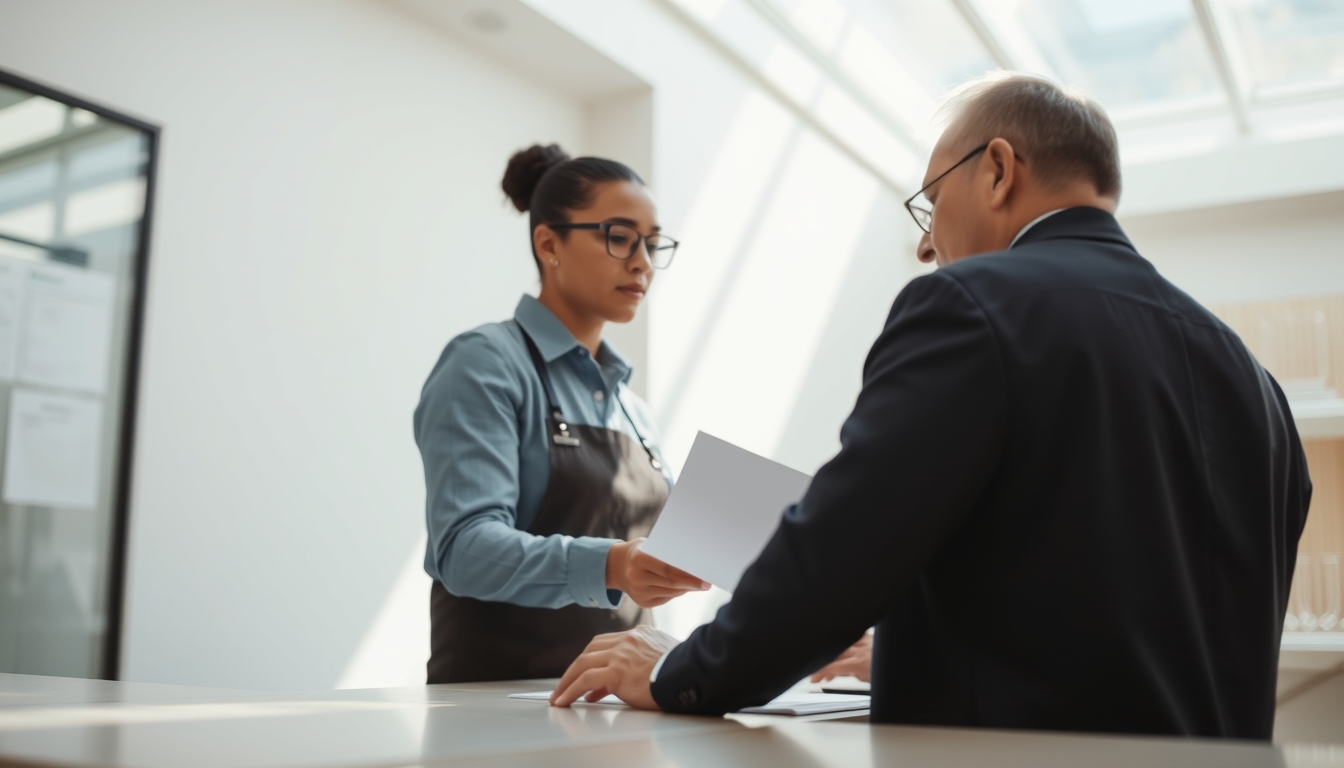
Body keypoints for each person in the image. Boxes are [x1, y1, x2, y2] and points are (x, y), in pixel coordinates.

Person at [548, 74, 1312, 740]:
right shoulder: (1252, 379)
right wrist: (922, 644)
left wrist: (686, 672)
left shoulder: (971, 305)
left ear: (999, 171)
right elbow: (1124, 604)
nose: (926, 246)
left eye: (931, 201)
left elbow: (844, 548)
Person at [414, 144, 708, 684]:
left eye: (652, 242)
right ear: (549, 242)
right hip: (494, 710)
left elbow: (660, 559)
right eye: (620, 237)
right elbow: (464, 548)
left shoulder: (633, 407)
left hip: (623, 704)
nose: (642, 261)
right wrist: (612, 564)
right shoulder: (486, 363)